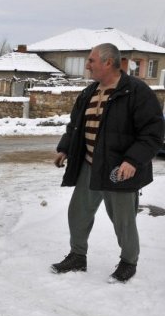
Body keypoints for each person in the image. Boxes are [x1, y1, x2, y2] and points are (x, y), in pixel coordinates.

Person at [51, 43, 164, 283]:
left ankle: (128, 261)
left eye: (91, 60)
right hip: (89, 164)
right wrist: (64, 148)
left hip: (119, 169)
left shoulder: (136, 92)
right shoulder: (88, 92)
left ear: (108, 62)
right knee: (78, 213)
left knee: (123, 219)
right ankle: (77, 256)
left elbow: (153, 134)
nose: (87, 65)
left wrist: (133, 161)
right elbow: (75, 126)